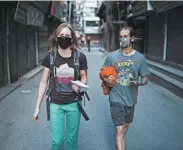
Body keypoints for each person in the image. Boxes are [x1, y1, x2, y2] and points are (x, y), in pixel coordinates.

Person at [33, 23, 88, 150]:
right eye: (61, 35)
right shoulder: (50, 57)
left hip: (74, 103)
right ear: (56, 38)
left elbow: (84, 76)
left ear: (72, 38)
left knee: (72, 141)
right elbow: (43, 82)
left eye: (67, 35)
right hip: (55, 103)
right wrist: (37, 107)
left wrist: (80, 85)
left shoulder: (80, 57)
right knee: (57, 141)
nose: (64, 37)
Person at [101, 26, 150, 150]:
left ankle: (119, 144)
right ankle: (120, 143)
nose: (122, 39)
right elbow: (103, 73)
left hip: (131, 99)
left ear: (132, 38)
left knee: (125, 128)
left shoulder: (140, 58)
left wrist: (138, 82)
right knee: (120, 129)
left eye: (125, 36)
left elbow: (145, 78)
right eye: (120, 37)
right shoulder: (111, 57)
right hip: (115, 98)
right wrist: (106, 79)